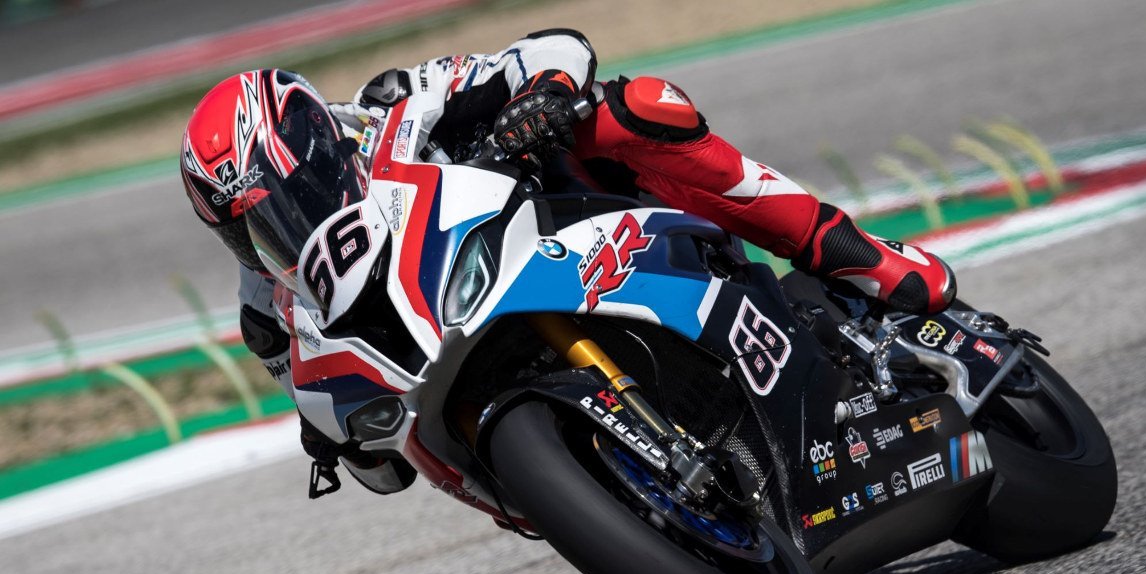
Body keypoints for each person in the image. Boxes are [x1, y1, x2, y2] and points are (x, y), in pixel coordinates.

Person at [179, 29, 956, 488]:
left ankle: (857, 257)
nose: (274, 230)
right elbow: (382, 471)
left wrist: (542, 95)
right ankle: (630, 520)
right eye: (248, 226)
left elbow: (553, 48)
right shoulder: (269, 305)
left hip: (573, 233)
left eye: (285, 198)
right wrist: (332, 437)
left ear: (320, 142)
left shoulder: (393, 109)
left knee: (633, 109)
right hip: (440, 344)